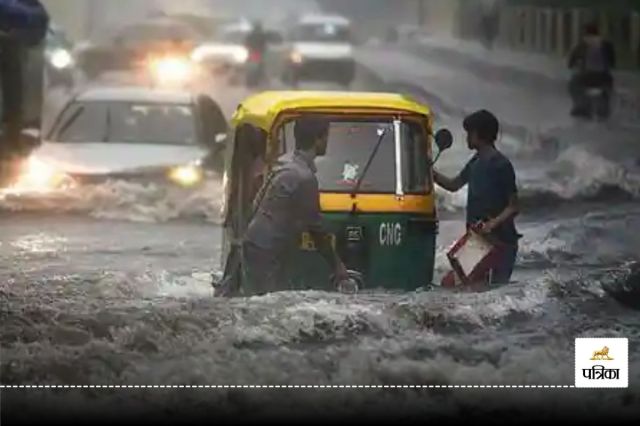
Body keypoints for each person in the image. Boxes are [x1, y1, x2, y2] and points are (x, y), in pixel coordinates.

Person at [240, 116, 348, 295]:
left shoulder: (284, 166)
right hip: (266, 250)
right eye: (326, 137)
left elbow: (256, 204)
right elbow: (316, 229)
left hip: (256, 243)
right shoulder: (304, 177)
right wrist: (337, 266)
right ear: (318, 139)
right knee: (265, 304)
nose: (327, 142)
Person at [434, 110, 521, 285]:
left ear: (477, 134)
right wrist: (430, 173)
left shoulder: (500, 164)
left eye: (469, 133)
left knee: (491, 290)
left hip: (500, 243)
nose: (466, 138)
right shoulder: (476, 161)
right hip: (478, 241)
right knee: (451, 284)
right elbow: (454, 185)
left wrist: (492, 224)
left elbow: (514, 205)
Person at [567, 23, 616, 118]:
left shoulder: (581, 45)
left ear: (585, 35)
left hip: (585, 77)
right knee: (608, 87)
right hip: (604, 78)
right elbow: (613, 63)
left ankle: (579, 106)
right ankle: (605, 106)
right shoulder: (608, 45)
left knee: (573, 84)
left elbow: (570, 63)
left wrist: (573, 65)